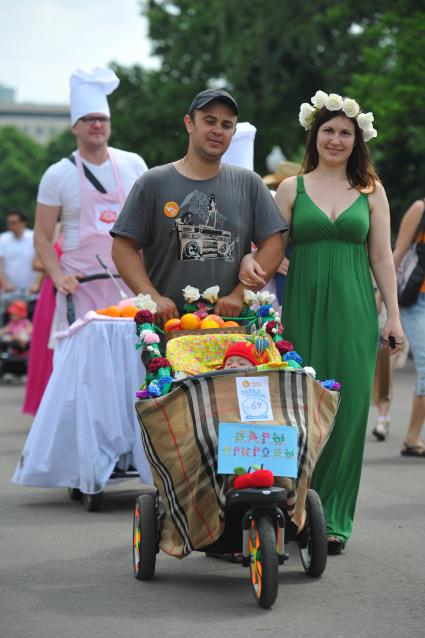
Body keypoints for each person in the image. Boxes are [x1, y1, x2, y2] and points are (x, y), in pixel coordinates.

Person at [239, 90, 404, 554]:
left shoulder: (372, 191)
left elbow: (383, 258)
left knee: (347, 414)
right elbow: (268, 247)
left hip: (356, 313)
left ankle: (334, 520)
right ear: (315, 136)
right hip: (303, 310)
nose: (336, 139)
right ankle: (294, 510)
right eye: (328, 131)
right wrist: (255, 267)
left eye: (345, 133)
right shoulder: (291, 189)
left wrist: (393, 316)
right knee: (300, 409)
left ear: (357, 141)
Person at [110, 88, 287, 322]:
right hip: (168, 327)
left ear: (233, 131)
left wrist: (240, 295)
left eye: (226, 125)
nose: (217, 130)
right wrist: (152, 298)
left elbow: (274, 243)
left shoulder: (249, 184)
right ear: (189, 123)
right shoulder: (153, 182)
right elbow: (122, 247)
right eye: (209, 121)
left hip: (233, 327)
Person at [34, 66, 148, 332]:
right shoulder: (57, 174)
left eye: (102, 119)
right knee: (81, 363)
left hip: (131, 283)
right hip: (80, 285)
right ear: (75, 126)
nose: (97, 125)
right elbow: (41, 236)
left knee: (134, 354)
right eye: (88, 119)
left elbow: (150, 223)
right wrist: (57, 276)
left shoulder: (134, 164)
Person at [393, 197, 425, 457]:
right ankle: (413, 438)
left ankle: (413, 437)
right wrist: (382, 298)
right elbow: (397, 254)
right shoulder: (419, 208)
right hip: (416, 302)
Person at [0, 210, 40, 293]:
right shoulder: (2, 239)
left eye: (14, 223)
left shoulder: (34, 237)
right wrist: (5, 283)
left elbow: (41, 262)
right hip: (9, 289)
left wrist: (37, 284)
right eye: (9, 223)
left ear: (23, 223)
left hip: (31, 289)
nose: (11, 226)